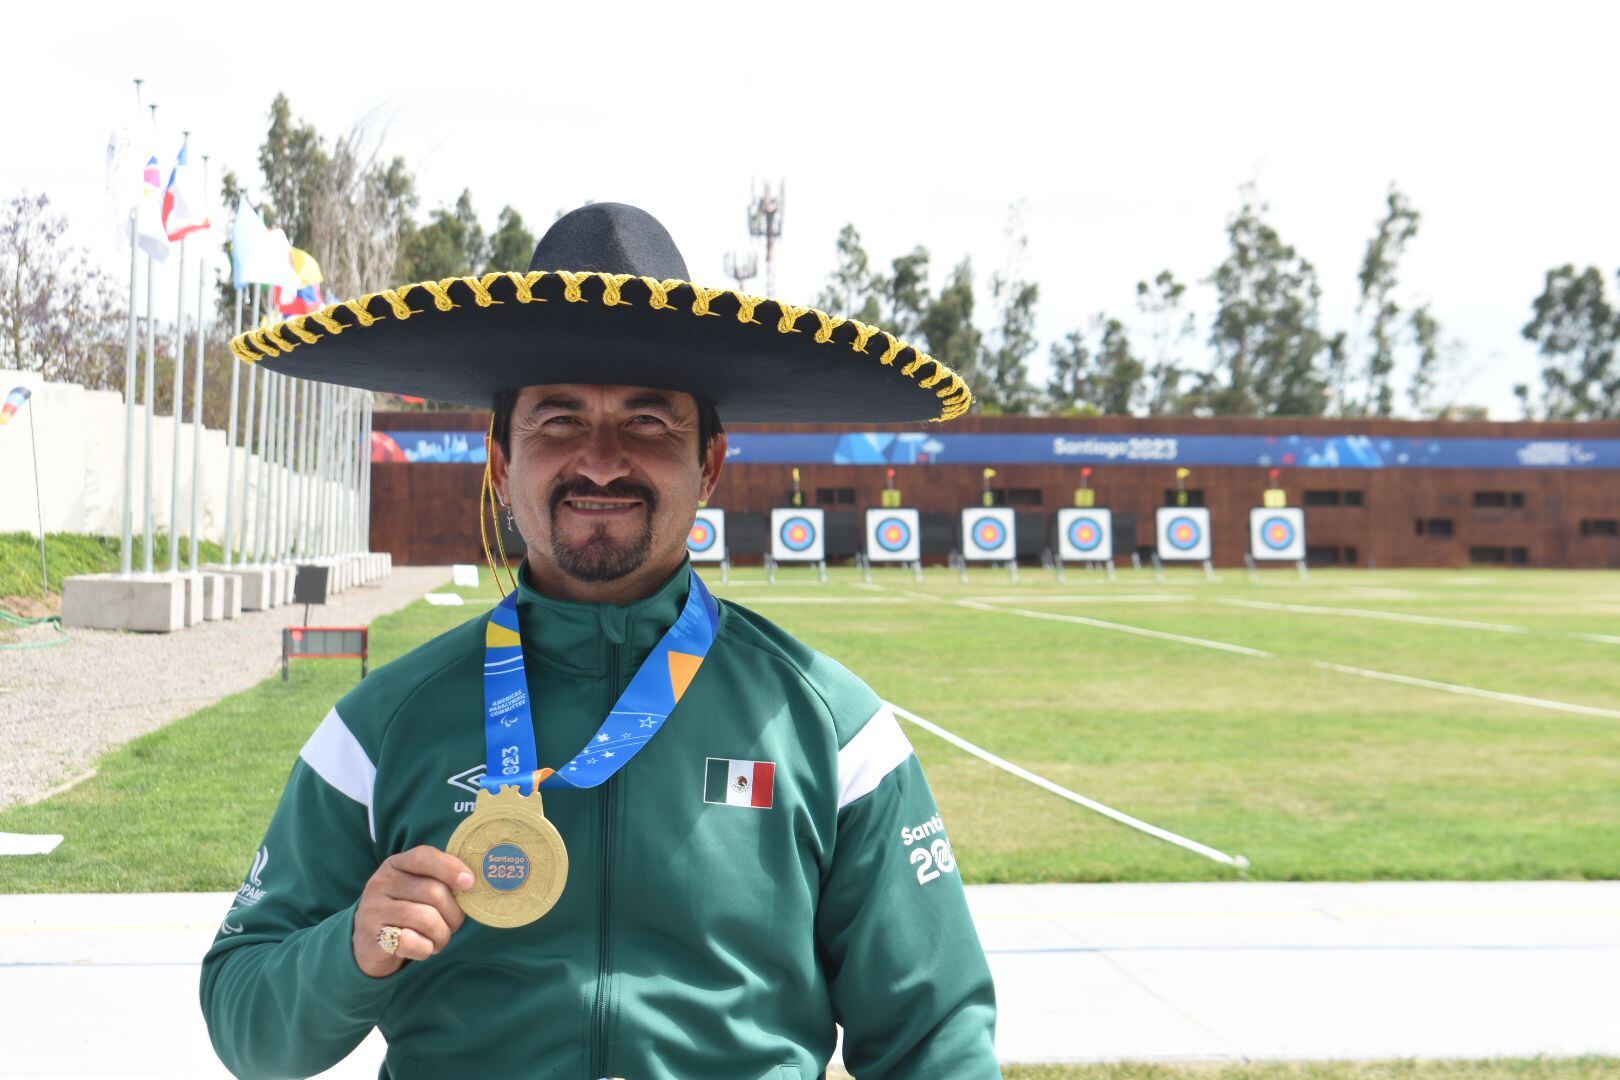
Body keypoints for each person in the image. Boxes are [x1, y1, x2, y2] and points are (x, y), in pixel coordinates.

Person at [202, 203, 995, 1079]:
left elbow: (937, 1040)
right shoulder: (382, 727)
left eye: (649, 423)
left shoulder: (832, 728)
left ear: (712, 465)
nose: (604, 460)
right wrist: (353, 947)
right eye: (560, 421)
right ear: (502, 463)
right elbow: (248, 1027)